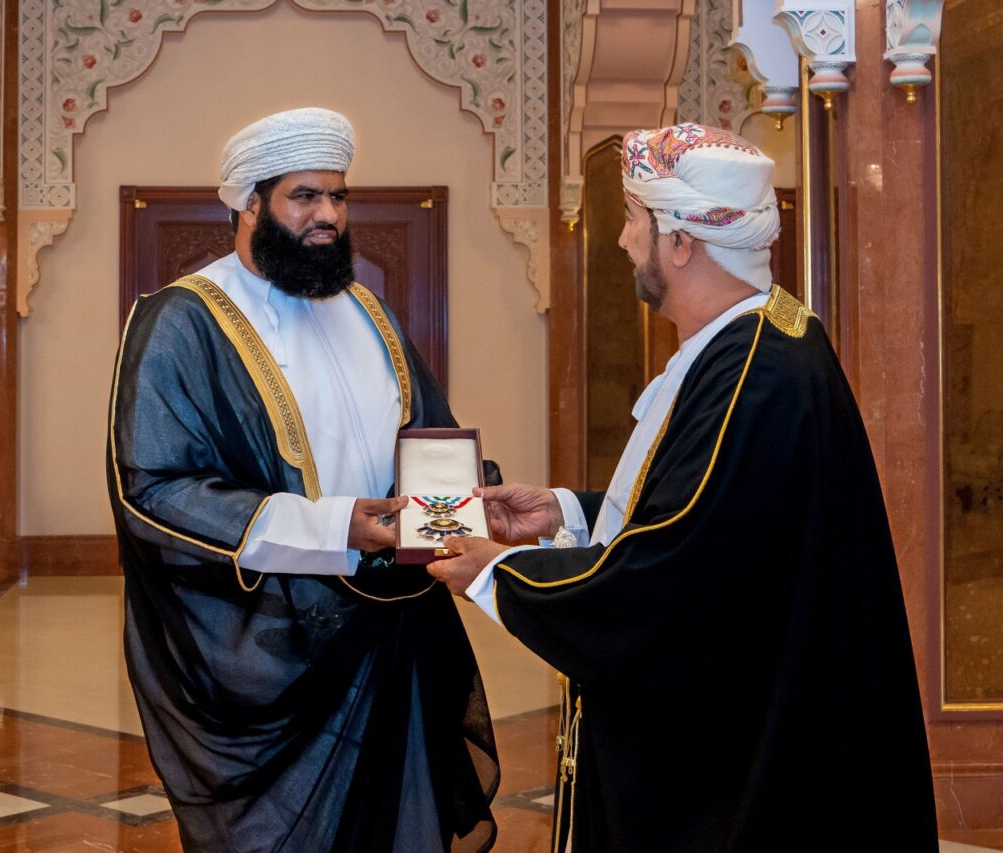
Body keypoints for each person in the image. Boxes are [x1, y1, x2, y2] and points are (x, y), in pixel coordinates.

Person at [428, 123, 938, 852]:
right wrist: (568, 513)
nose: (623, 240)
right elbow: (711, 517)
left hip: (731, 772)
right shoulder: (759, 339)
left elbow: (669, 580)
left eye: (635, 219)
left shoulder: (754, 374)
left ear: (680, 241)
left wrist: (497, 573)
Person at [108, 107, 498, 852]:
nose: (328, 216)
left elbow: (430, 436)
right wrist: (331, 527)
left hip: (397, 621)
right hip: (273, 646)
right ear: (248, 204)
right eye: (304, 196)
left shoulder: (367, 309)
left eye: (338, 196)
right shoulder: (184, 320)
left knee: (400, 823)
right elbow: (152, 488)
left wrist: (472, 500)